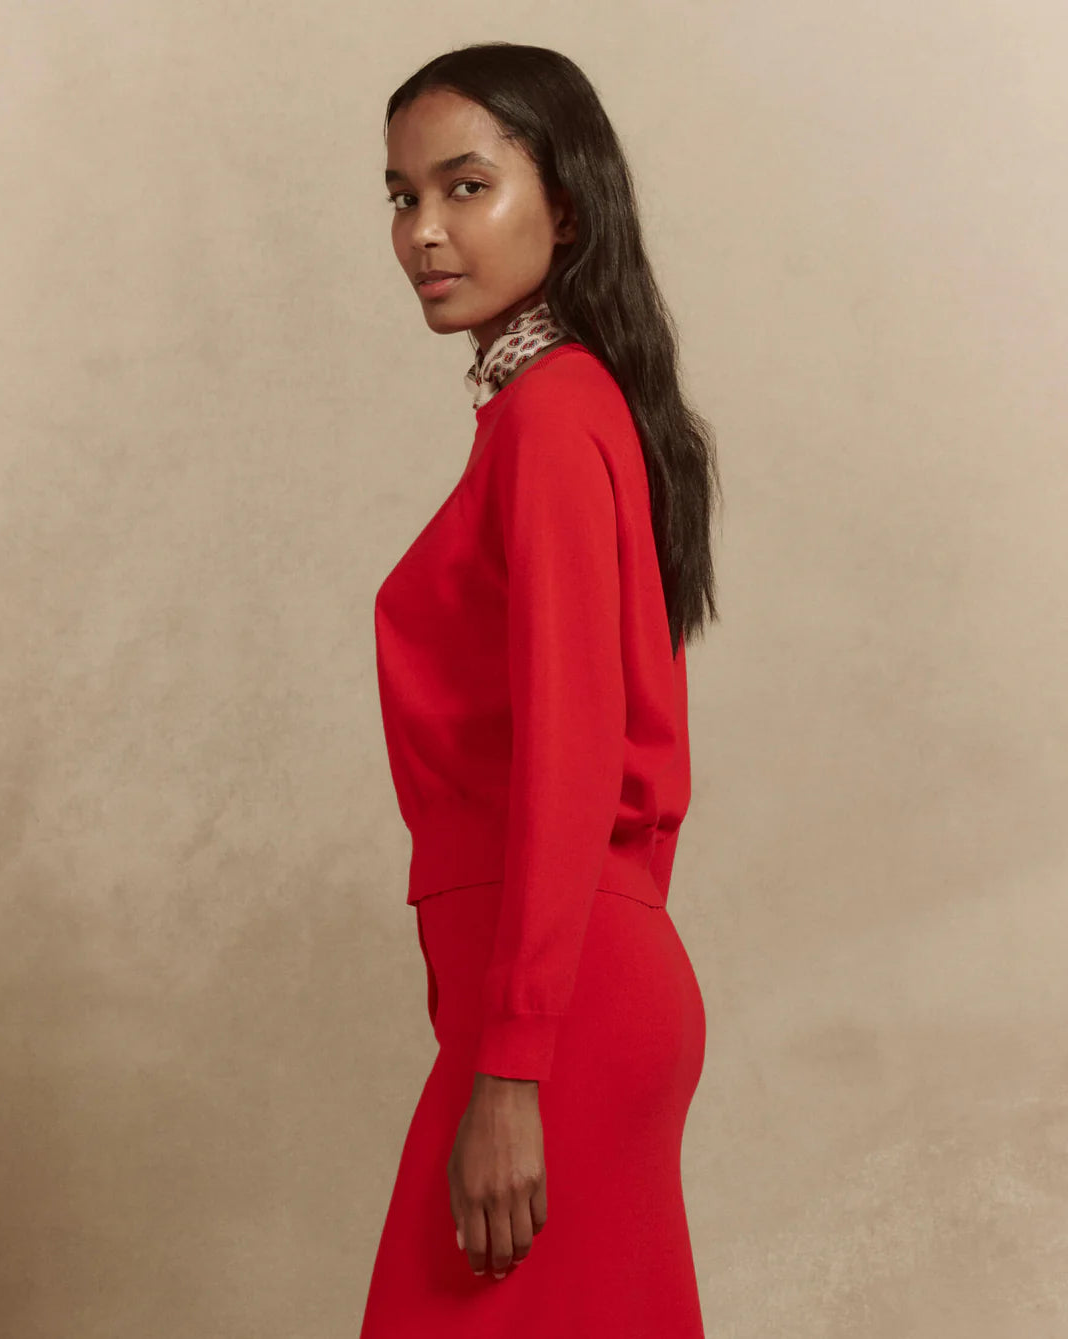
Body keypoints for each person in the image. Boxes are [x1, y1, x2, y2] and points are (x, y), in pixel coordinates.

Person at [360, 41, 721, 1337]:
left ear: (562, 204)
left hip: (556, 1023)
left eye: (465, 187)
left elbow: (577, 758)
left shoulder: (554, 422)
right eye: (403, 197)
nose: (424, 232)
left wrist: (515, 1060)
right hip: (566, 994)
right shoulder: (555, 414)